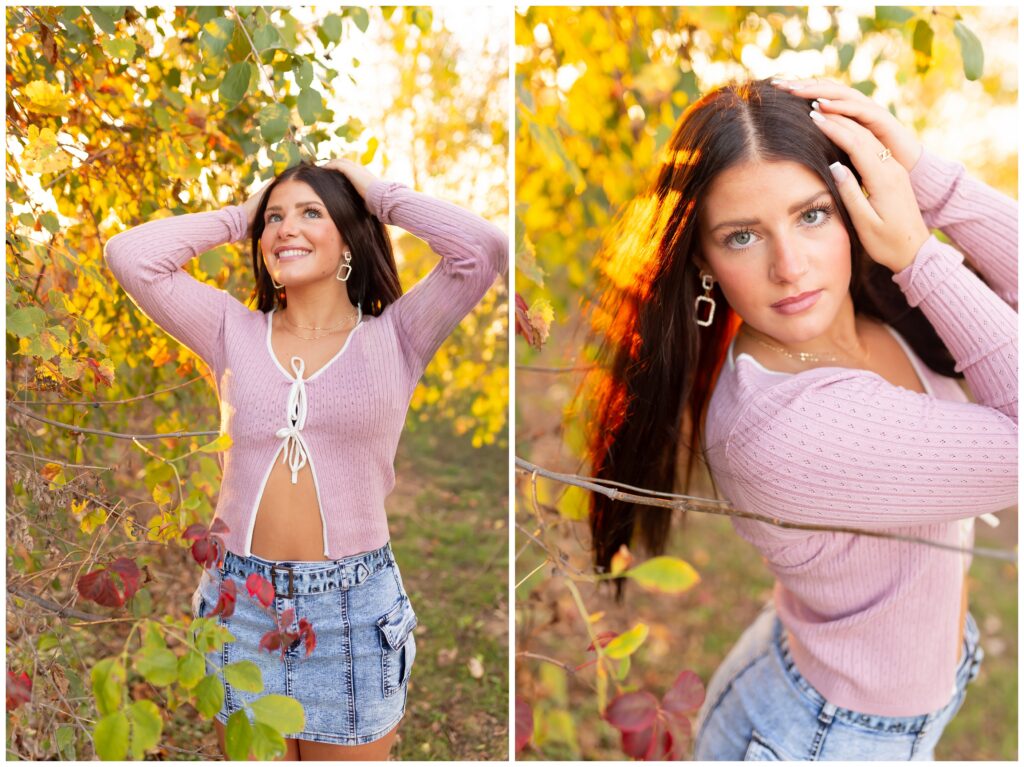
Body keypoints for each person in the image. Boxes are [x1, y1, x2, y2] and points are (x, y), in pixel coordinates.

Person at [585, 78, 1016, 759]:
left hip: (862, 696)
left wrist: (928, 179)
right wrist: (919, 256)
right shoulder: (785, 428)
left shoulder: (878, 312)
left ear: (855, 205)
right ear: (702, 258)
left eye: (812, 215)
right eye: (743, 235)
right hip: (823, 738)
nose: (790, 267)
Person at [104, 157, 507, 760]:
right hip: (238, 602)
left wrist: (376, 193)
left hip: (354, 614)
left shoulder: (396, 337)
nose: (286, 227)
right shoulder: (230, 331)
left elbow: (483, 248)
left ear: (349, 234)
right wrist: (241, 214)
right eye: (275, 219)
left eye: (311, 213)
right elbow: (130, 255)